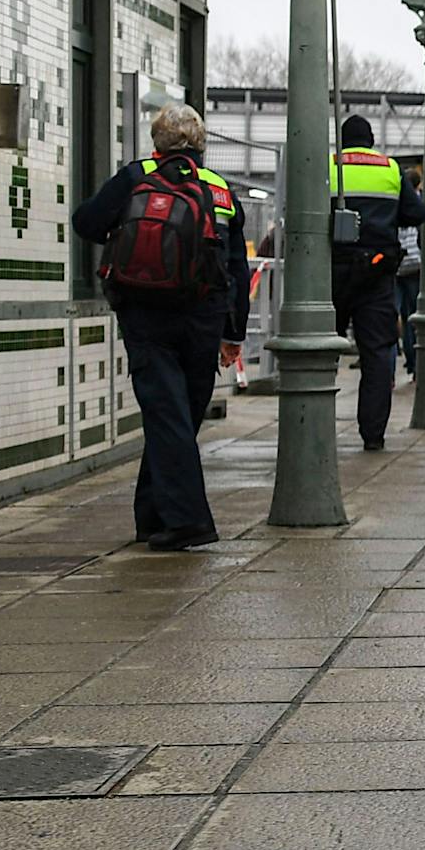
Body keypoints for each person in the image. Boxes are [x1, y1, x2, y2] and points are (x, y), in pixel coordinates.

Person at [72, 103, 249, 550]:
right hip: (203, 318)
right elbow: (235, 267)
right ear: (202, 146)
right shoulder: (220, 190)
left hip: (146, 313)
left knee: (166, 415)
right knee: (178, 416)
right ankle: (156, 517)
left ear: (157, 141)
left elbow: (86, 223)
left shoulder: (135, 177)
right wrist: (234, 335)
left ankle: (183, 520)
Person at [329, 114, 425, 452]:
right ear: (370, 140)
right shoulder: (390, 169)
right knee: (378, 354)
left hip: (332, 274)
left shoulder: (329, 165)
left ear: (342, 139)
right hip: (377, 273)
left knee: (321, 349)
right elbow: (417, 214)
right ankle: (373, 434)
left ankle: (317, 422)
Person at [396, 168, 424, 377]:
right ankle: (416, 363)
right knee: (415, 314)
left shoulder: (394, 200)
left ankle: (407, 359)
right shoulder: (418, 204)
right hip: (416, 265)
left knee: (400, 314)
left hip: (395, 265)